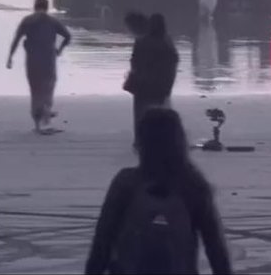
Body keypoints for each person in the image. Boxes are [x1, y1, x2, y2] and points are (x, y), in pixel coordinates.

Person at [86, 108, 232, 275]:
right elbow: (215, 248)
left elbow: (102, 243)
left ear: (141, 143)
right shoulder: (193, 185)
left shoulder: (126, 183)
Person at [7, 0, 71, 133]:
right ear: (47, 7)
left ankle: (37, 124)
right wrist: (59, 49)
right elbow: (67, 36)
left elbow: (17, 39)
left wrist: (10, 57)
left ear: (35, 7)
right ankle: (46, 116)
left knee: (35, 91)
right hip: (48, 60)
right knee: (48, 89)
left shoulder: (27, 21)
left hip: (33, 60)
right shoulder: (53, 21)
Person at [125, 14, 179, 144]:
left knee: (141, 114)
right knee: (160, 113)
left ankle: (140, 140)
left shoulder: (142, 41)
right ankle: (160, 139)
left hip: (142, 85)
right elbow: (173, 62)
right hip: (160, 85)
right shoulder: (167, 41)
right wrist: (168, 85)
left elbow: (134, 62)